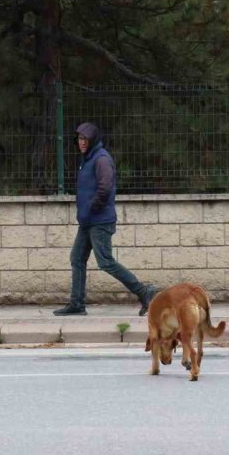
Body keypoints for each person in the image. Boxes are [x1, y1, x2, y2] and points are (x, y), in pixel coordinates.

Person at [54, 122, 158, 316]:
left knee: (106, 262)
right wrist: (85, 214)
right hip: (88, 221)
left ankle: (144, 292)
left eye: (85, 139)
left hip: (100, 221)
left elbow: (105, 189)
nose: (81, 142)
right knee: (77, 258)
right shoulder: (87, 159)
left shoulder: (102, 159)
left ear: (92, 139)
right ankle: (77, 304)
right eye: (79, 139)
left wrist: (90, 209)